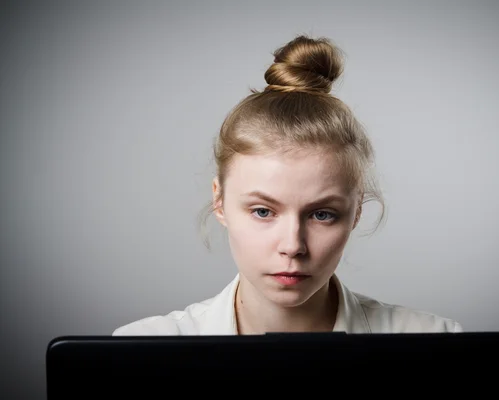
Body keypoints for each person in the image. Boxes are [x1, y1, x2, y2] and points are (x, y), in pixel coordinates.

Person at [113, 35, 462, 336]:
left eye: (322, 214)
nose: (293, 246)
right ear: (219, 203)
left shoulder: (435, 342)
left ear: (356, 212)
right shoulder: (137, 347)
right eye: (263, 211)